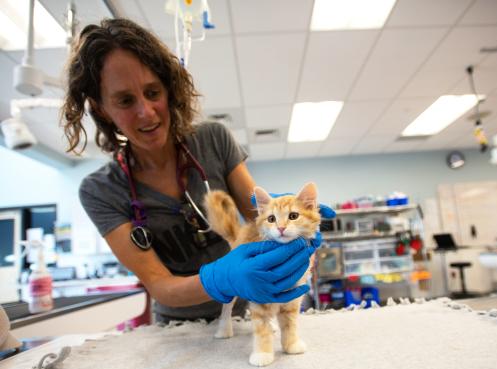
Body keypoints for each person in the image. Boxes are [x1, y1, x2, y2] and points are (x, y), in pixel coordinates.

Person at [61, 18, 321, 323]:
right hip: (177, 329)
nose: (146, 111)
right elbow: (159, 285)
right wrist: (221, 279)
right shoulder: (102, 191)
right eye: (125, 100)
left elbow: (259, 218)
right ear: (102, 108)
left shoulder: (213, 140)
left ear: (169, 90)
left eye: (153, 92)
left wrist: (296, 222)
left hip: (244, 314)